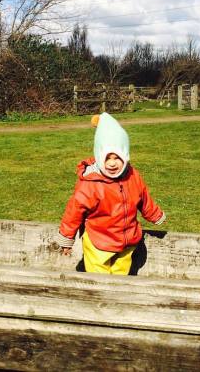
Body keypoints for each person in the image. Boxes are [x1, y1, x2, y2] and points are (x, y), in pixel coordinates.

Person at [56, 112, 166, 275]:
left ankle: (117, 297)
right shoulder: (90, 184)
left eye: (118, 157)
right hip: (99, 242)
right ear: (99, 156)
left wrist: (155, 215)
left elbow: (143, 198)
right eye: (107, 158)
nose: (113, 163)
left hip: (127, 241)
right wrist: (67, 238)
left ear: (126, 155)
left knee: (120, 275)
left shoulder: (132, 175)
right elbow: (73, 212)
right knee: (98, 277)